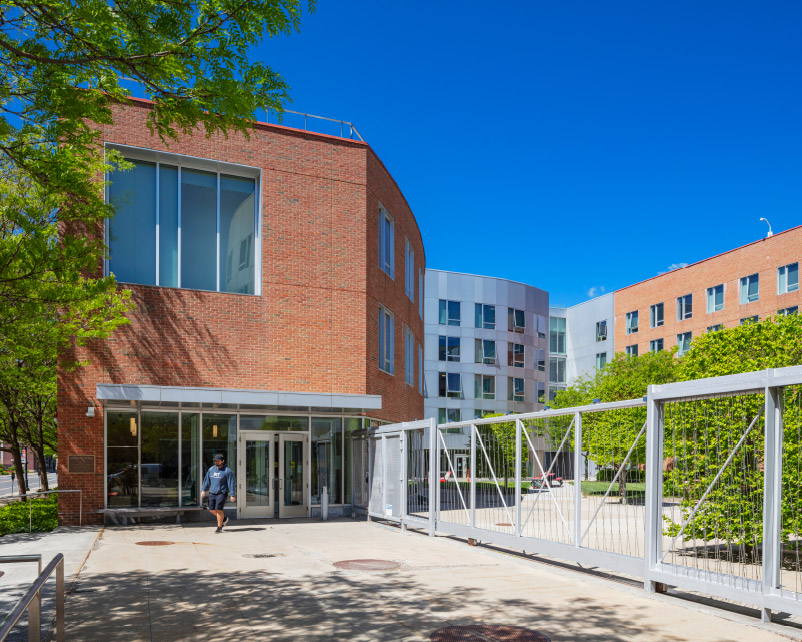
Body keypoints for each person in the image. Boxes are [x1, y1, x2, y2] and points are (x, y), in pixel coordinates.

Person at [201, 453, 236, 533]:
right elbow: (206, 480)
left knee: (218, 509)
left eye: (218, 461)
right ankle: (223, 519)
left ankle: (219, 527)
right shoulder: (211, 469)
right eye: (215, 461)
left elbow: (231, 483)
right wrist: (203, 490)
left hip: (222, 493)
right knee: (211, 510)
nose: (216, 462)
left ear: (222, 461)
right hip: (212, 492)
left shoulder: (227, 471)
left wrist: (232, 494)